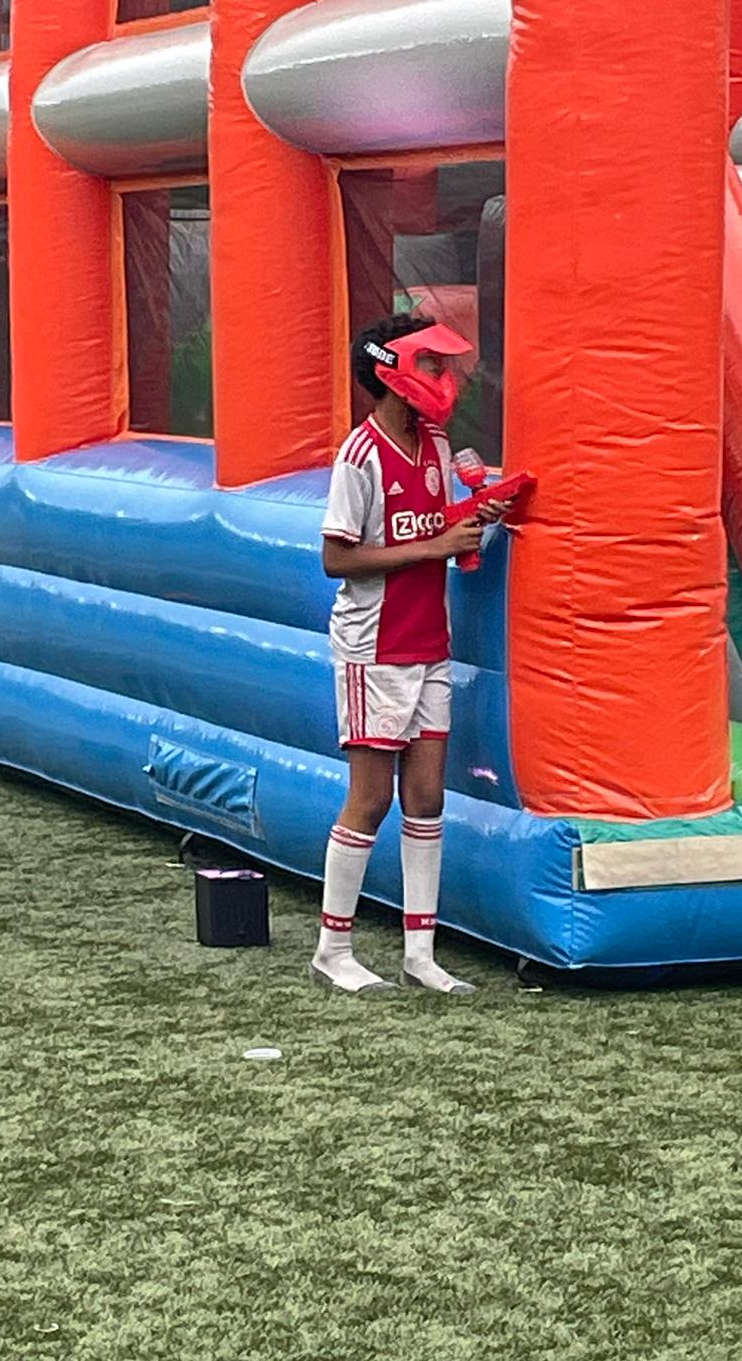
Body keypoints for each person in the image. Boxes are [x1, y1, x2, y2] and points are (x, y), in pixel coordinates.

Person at [312, 313, 510, 995]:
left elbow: (433, 527)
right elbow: (336, 558)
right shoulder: (359, 456)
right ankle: (333, 950)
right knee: (369, 799)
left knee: (426, 797)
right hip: (375, 647)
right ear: (391, 372)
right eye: (430, 364)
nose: (444, 378)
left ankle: (420, 954)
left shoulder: (437, 443)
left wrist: (476, 517)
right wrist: (436, 547)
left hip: (429, 643)